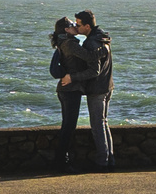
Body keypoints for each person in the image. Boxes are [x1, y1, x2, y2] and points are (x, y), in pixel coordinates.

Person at [58, 9, 115, 171]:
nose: (76, 27)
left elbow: (93, 70)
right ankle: (110, 159)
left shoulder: (91, 43)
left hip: (97, 88)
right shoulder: (103, 37)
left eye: (79, 24)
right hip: (107, 85)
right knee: (103, 123)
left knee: (97, 125)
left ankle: (102, 162)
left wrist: (72, 77)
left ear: (87, 26)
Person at [49, 16, 81, 170]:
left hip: (65, 90)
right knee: (69, 126)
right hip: (70, 90)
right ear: (66, 30)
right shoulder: (69, 44)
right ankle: (62, 161)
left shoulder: (63, 44)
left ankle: (62, 160)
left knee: (67, 125)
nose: (76, 26)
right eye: (72, 25)